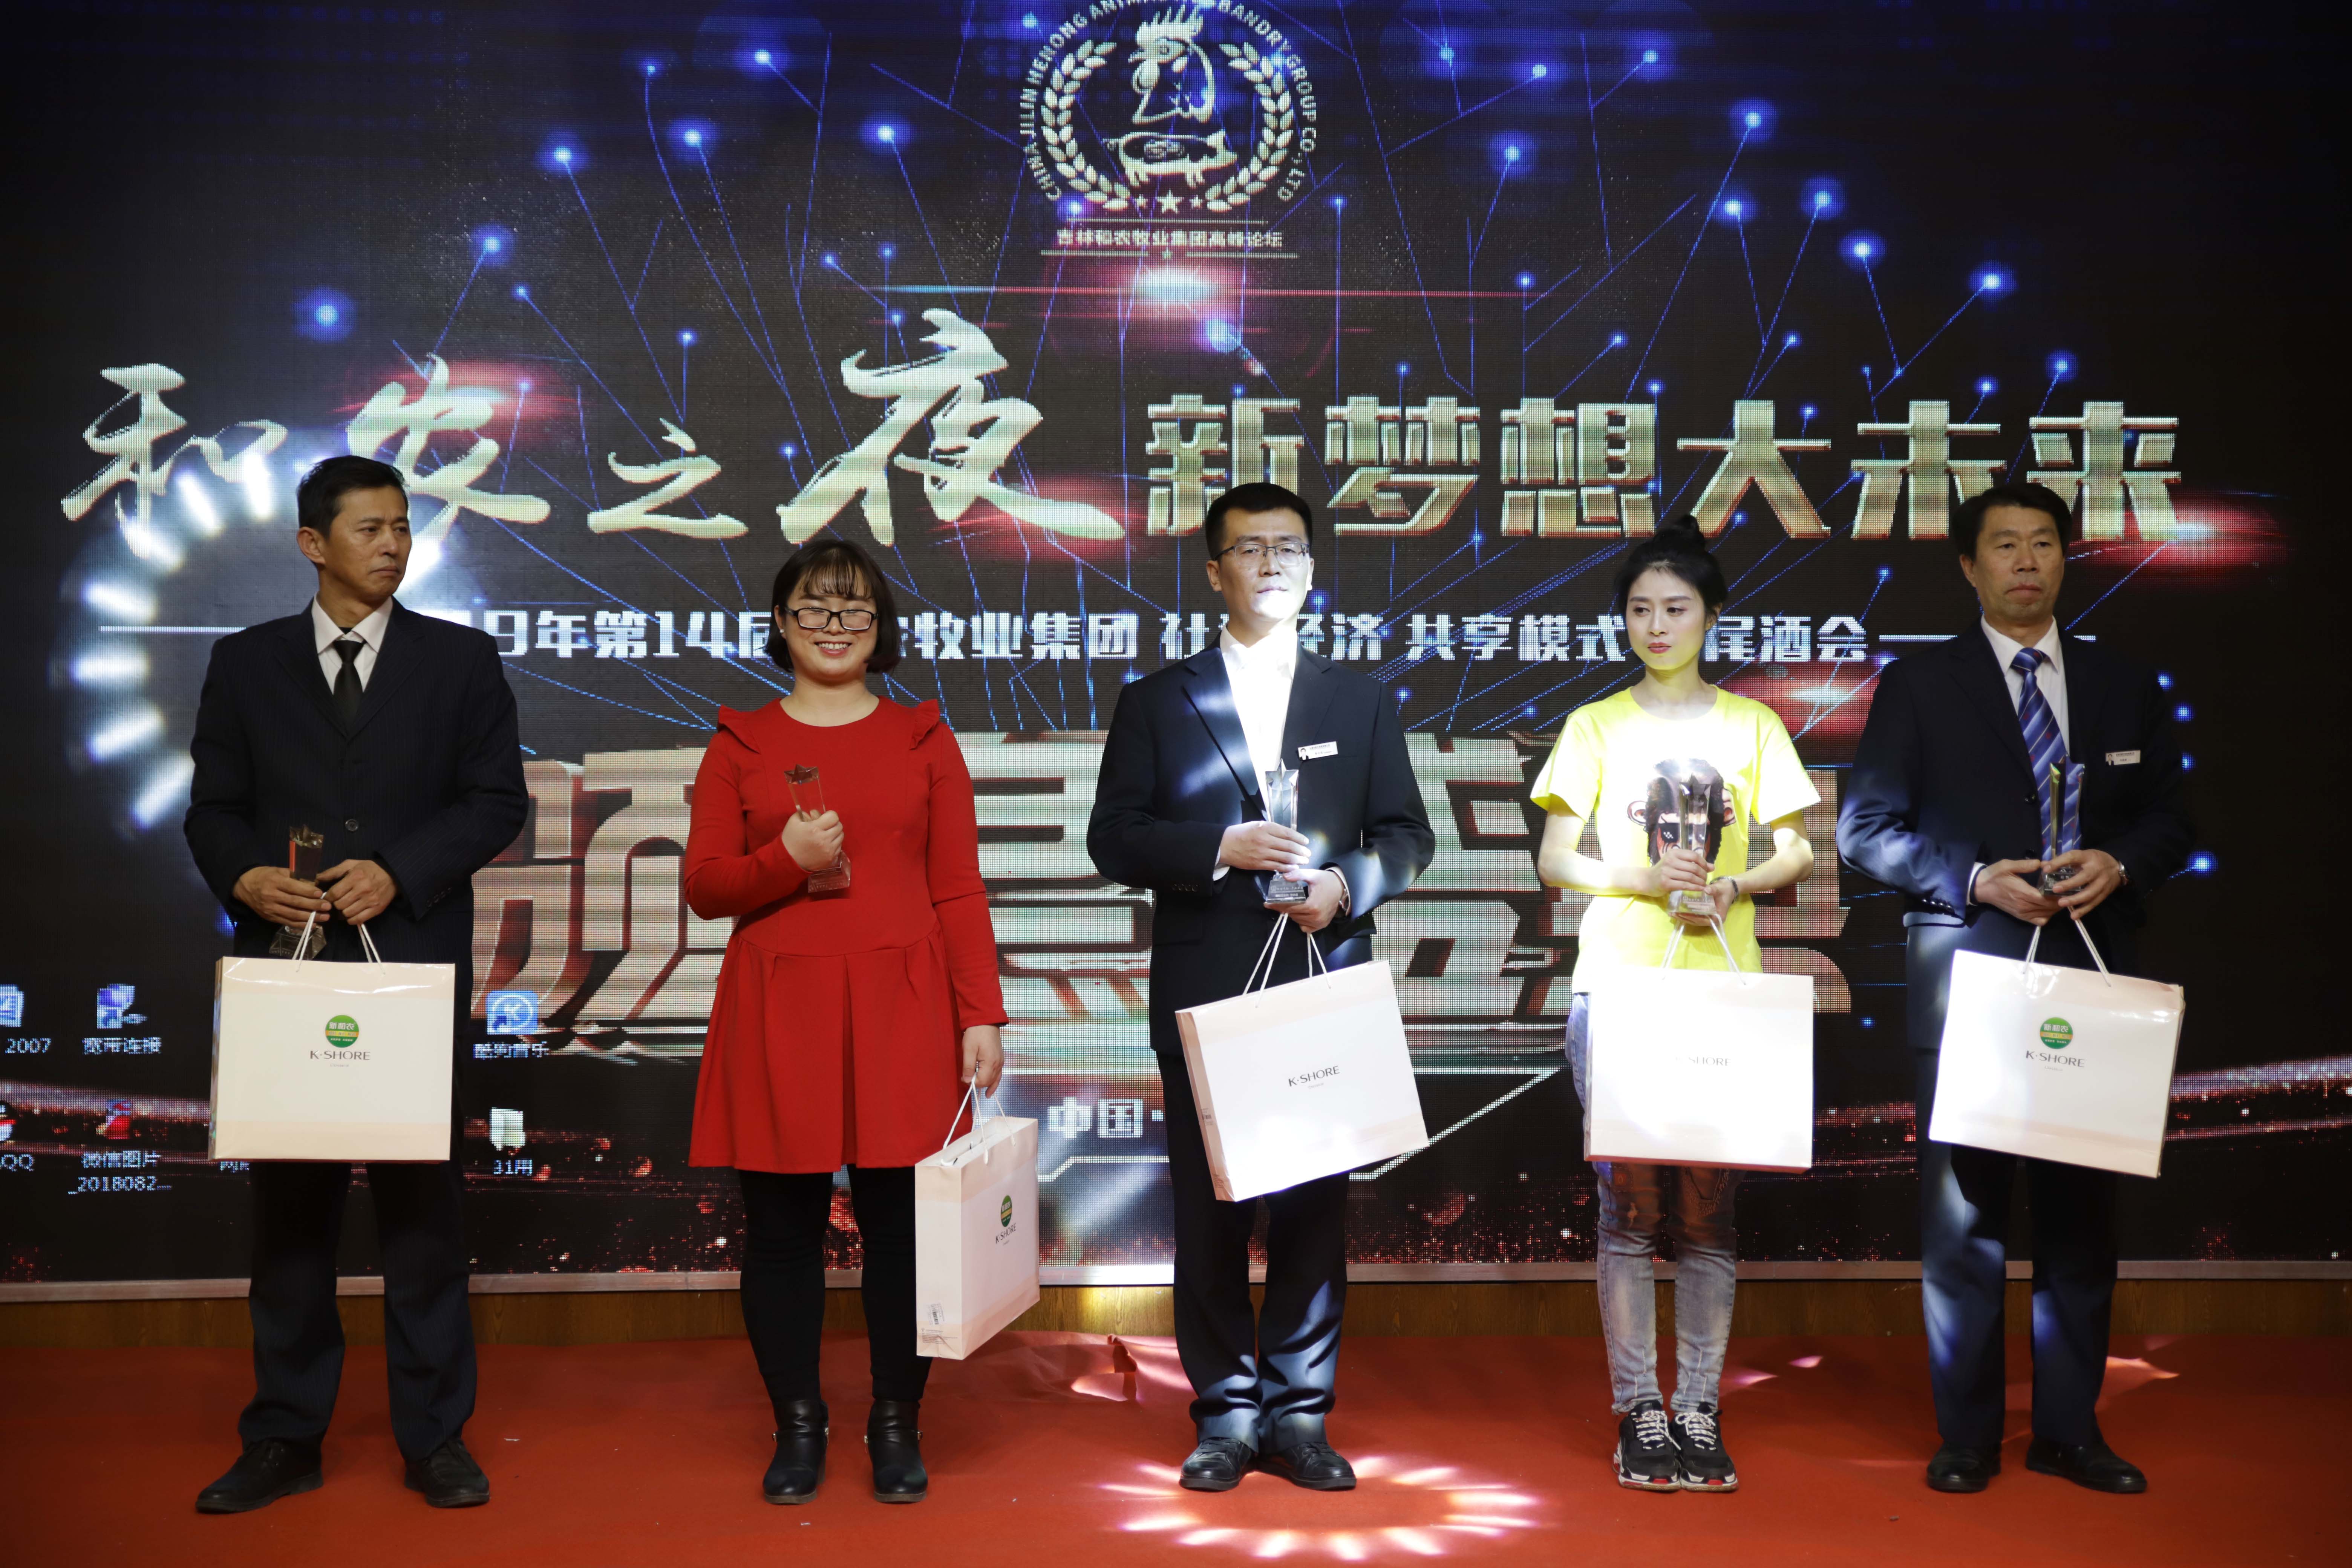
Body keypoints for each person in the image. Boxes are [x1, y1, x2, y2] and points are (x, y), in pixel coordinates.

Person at [184, 455, 528, 1512]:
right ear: (312, 544)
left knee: (425, 1214)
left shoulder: (459, 659)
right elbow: (213, 810)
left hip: (409, 966)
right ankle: (286, 1436)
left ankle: (436, 1438)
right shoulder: (246, 662)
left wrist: (401, 871)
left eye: (402, 528)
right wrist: (246, 876)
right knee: (292, 1215)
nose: (392, 545)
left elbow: (496, 801)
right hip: (288, 971)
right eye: (369, 528)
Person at [1837, 482, 2192, 1496]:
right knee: (1967, 1221)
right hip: (1972, 977)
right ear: (1969, 566)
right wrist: (1973, 877)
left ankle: (2070, 1432)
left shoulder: (2123, 681)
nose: (2026, 561)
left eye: (2043, 543)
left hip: (2092, 976)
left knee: (2081, 1218)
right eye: (2005, 545)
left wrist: (2120, 862)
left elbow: (2174, 819)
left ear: (2064, 559)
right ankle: (1967, 1436)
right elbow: (1865, 831)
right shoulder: (1920, 685)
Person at [1086, 482, 1435, 1494]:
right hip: (1209, 989)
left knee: (1315, 1212)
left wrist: (1343, 886)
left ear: (1312, 570)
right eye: (1249, 548)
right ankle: (1227, 1418)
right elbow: (1114, 838)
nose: (1271, 563)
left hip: (1322, 981)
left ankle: (1301, 1415)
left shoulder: (1358, 699)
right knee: (1211, 1216)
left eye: (1289, 547)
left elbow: (1406, 835)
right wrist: (1219, 846)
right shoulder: (1159, 699)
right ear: (1214, 571)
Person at [683, 537, 1006, 1507]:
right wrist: (785, 858)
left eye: (854, 609)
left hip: (905, 1002)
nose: (835, 626)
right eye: (814, 609)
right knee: (781, 1230)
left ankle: (896, 1422)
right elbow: (705, 887)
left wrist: (981, 1012)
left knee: (903, 1229)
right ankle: (799, 1425)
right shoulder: (740, 742)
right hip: (778, 1001)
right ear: (781, 624)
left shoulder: (923, 737)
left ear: (880, 626)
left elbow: (958, 887)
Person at [1528, 514, 1819, 1494]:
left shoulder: (1753, 726)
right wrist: (1646, 881)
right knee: (1628, 1209)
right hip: (1618, 989)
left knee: (1708, 1210)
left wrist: (1738, 884)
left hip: (1722, 993)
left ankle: (1699, 1406)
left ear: (1713, 616)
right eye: (1641, 610)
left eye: (1677, 608)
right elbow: (1555, 858)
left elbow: (1799, 849)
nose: (1657, 626)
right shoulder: (1595, 726)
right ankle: (1638, 1411)